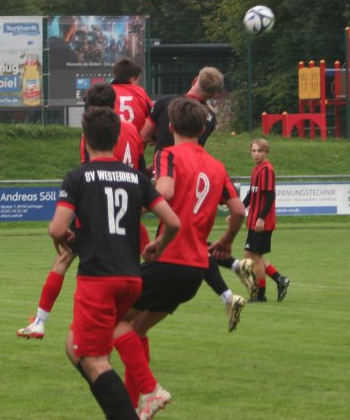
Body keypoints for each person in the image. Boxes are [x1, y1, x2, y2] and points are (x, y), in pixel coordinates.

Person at [50, 105, 180, 420]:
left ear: (85, 139)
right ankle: (134, 397)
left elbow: (56, 228)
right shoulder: (136, 178)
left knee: (92, 359)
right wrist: (158, 245)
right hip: (132, 278)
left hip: (97, 278)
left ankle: (142, 397)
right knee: (75, 343)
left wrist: (64, 235)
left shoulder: (78, 176)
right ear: (118, 138)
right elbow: (173, 222)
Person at [121, 97, 245, 411]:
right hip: (195, 271)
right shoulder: (217, 166)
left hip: (168, 260)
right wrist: (227, 240)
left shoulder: (168, 155)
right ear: (203, 129)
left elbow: (165, 191)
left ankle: (149, 390)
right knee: (137, 330)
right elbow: (238, 210)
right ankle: (136, 407)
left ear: (171, 126)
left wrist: (131, 210)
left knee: (110, 320)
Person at [17, 82, 148, 340]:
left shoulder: (92, 135)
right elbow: (141, 170)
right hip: (127, 209)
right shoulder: (133, 130)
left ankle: (41, 322)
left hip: (98, 210)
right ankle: (133, 328)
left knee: (66, 259)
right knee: (136, 267)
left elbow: (90, 176)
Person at [142, 66, 255, 331]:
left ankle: (231, 278)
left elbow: (142, 136)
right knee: (193, 239)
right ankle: (232, 275)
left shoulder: (165, 107)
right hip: (198, 178)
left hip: (173, 180)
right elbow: (239, 210)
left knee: (116, 318)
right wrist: (227, 241)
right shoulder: (210, 121)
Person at [243, 138, 290, 302]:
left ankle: (260, 294)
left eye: (259, 151)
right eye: (253, 151)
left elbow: (270, 196)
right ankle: (279, 279)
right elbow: (252, 193)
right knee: (249, 255)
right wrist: (239, 209)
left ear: (266, 152)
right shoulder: (256, 170)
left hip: (262, 222)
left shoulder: (266, 170)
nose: (256, 154)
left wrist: (261, 218)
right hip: (253, 221)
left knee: (255, 257)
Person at [111, 58, 153, 134]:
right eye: (137, 80)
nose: (138, 84)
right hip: (134, 137)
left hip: (109, 138)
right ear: (132, 79)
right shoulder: (140, 92)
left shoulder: (106, 91)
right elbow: (154, 114)